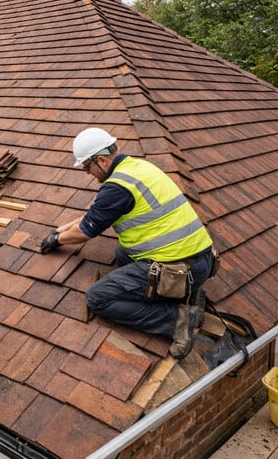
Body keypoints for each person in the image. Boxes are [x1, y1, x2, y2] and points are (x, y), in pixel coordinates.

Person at [39, 127, 215, 360]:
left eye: (87, 167)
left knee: (98, 297)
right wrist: (62, 229)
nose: (88, 172)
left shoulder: (116, 188)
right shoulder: (137, 168)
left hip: (181, 271)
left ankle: (177, 320)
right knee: (122, 254)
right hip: (201, 259)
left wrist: (56, 240)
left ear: (100, 160)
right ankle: (182, 294)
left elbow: (86, 231)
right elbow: (95, 215)